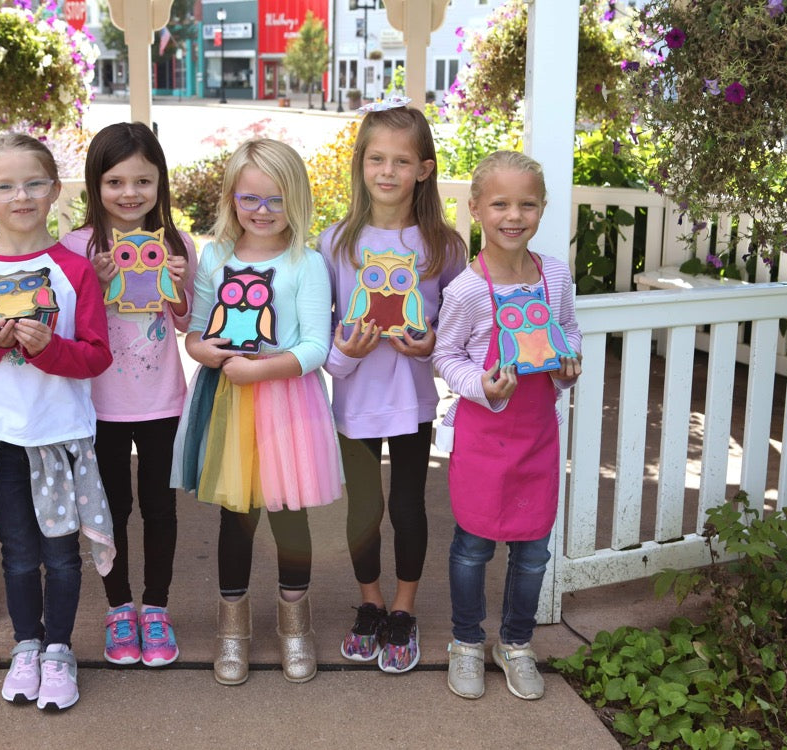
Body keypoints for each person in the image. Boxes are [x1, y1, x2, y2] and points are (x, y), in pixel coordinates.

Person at [0, 133, 114, 711]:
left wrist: (48, 349)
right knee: (17, 552)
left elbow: (95, 356)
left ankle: (59, 650)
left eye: (34, 183)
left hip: (59, 436)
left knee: (61, 555)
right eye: (5, 186)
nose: (21, 196)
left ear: (54, 190)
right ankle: (26, 646)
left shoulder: (72, 270)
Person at [171, 138, 342, 686]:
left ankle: (295, 626)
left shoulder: (305, 263)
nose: (263, 211)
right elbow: (197, 330)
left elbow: (316, 345)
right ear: (232, 198)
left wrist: (260, 370)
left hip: (287, 401)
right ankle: (233, 630)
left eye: (276, 199)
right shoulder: (216, 257)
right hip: (230, 400)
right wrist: (204, 352)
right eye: (250, 198)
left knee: (289, 516)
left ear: (297, 199)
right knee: (236, 518)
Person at [321, 101, 467, 673]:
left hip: (412, 400)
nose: (387, 171)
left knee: (408, 507)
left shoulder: (444, 246)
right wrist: (344, 355)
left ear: (424, 170)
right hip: (354, 399)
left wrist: (431, 346)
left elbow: (459, 326)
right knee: (363, 508)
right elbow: (321, 332)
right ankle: (371, 603)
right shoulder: (336, 242)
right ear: (360, 163)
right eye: (376, 158)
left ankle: (404, 609)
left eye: (401, 161)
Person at [432, 150, 582, 701]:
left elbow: (568, 330)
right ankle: (467, 642)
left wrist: (568, 365)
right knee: (473, 547)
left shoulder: (555, 275)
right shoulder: (466, 290)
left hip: (538, 435)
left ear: (542, 208)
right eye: (499, 204)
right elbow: (445, 355)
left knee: (534, 550)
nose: (513, 216)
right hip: (483, 437)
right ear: (475, 209)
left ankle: (516, 643)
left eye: (527, 204)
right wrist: (481, 384)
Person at [60, 122, 195, 668]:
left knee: (160, 509)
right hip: (98, 405)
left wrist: (179, 285)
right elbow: (64, 328)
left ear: (161, 183)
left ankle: (156, 608)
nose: (129, 193)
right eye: (115, 182)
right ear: (95, 184)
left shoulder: (177, 245)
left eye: (143, 181)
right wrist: (90, 282)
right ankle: (119, 609)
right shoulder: (74, 248)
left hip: (162, 400)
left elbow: (187, 323)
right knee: (109, 509)